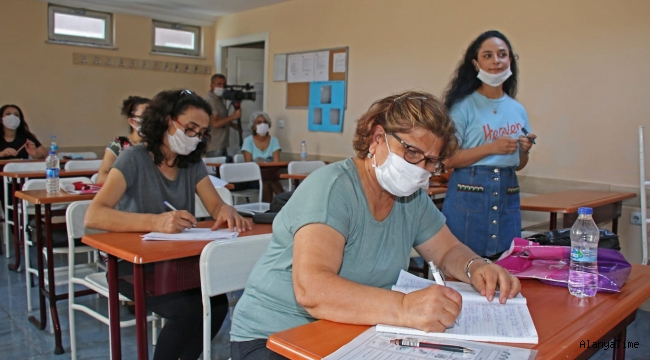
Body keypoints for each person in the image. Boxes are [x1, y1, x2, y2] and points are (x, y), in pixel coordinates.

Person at [229, 91, 521, 359]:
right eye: (411, 153)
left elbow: (447, 251)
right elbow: (313, 290)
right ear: (377, 138)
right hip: (276, 336)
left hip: (351, 330)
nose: (421, 169)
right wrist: (405, 308)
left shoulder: (411, 198)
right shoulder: (332, 188)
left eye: (432, 161)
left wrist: (477, 267)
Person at [84, 89, 253, 360]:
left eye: (201, 133)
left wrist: (226, 210)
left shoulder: (191, 163)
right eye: (190, 128)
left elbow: (214, 205)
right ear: (166, 120)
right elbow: (94, 216)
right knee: (190, 311)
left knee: (216, 304)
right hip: (134, 265)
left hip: (178, 261)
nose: (195, 137)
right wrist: (155, 222)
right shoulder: (133, 158)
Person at [441, 30, 536, 259]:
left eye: (502, 54)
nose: (496, 61)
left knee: (504, 265)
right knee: (461, 264)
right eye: (488, 55)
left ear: (510, 60)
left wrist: (523, 151)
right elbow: (448, 159)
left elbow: (518, 164)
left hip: (507, 196)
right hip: (468, 197)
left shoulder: (517, 109)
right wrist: (491, 147)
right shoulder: (463, 107)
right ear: (476, 63)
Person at [96, 96, 150, 184]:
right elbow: (102, 177)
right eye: (145, 116)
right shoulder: (118, 143)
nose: (151, 120)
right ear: (132, 121)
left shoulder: (159, 144)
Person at [241, 111, 284, 202]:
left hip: (271, 175)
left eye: (265, 122)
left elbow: (277, 163)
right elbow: (248, 165)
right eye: (259, 122)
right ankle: (286, 203)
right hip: (253, 177)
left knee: (267, 181)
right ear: (253, 126)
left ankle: (267, 212)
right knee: (267, 182)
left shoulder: (274, 141)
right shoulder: (248, 141)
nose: (263, 125)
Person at [204, 74, 241, 157]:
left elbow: (221, 118)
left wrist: (231, 124)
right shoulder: (211, 100)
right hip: (214, 145)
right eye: (219, 84)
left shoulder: (219, 99)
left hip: (222, 143)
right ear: (211, 85)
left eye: (224, 85)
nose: (221, 87)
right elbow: (215, 123)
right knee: (216, 169)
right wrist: (233, 116)